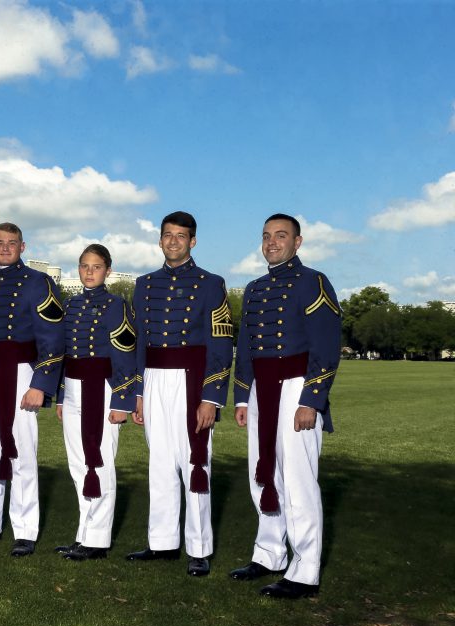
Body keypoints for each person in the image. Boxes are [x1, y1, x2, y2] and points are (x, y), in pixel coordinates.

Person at [230, 213, 342, 599]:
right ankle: (269, 553)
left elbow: (326, 346)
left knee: (297, 480)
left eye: (281, 236)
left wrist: (312, 398)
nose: (272, 242)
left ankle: (305, 570)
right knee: (262, 475)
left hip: (297, 388)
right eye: (266, 236)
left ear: (298, 241)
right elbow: (244, 348)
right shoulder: (255, 288)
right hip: (262, 389)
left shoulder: (314, 281)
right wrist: (243, 396)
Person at [127, 211, 232, 577]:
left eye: (181, 235)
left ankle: (199, 548)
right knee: (159, 462)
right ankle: (162, 542)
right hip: (154, 378)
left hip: (192, 380)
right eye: (168, 235)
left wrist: (211, 396)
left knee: (194, 462)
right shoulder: (144, 284)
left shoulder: (212, 283)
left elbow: (221, 343)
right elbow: (138, 343)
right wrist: (138, 391)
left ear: (193, 241)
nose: (174, 241)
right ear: (160, 240)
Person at [0, 222, 64, 558]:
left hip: (21, 372)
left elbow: (53, 337)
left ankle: (25, 528)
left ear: (23, 246)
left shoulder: (38, 282)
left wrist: (40, 384)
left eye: (12, 242)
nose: (5, 248)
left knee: (21, 450)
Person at [54, 244, 136, 561]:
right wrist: (62, 395)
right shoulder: (71, 305)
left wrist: (122, 400)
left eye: (96, 266)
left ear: (108, 271)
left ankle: (98, 540)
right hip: (73, 388)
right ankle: (83, 534)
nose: (90, 272)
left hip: (102, 388)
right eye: (85, 266)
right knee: (78, 466)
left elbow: (125, 355)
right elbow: (64, 355)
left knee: (99, 463)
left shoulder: (117, 306)